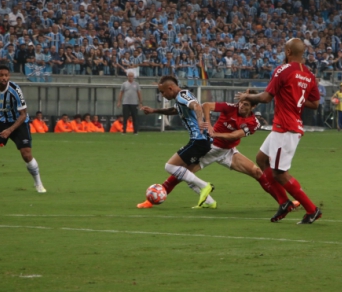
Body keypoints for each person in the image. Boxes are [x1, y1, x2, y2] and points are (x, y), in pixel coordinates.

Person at [137, 94, 301, 210]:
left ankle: (284, 202)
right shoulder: (231, 107)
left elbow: (236, 135)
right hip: (211, 148)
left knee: (257, 172)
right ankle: (151, 200)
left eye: (246, 105)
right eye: (242, 103)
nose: (241, 106)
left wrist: (217, 133)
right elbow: (207, 105)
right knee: (183, 172)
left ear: (253, 107)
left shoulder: (253, 122)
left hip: (228, 151)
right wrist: (208, 124)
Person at [236, 38, 322, 224]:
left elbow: (266, 97)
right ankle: (284, 202)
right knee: (261, 159)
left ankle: (312, 209)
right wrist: (293, 96)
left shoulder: (283, 70)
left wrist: (247, 96)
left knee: (280, 173)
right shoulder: (309, 75)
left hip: (286, 128)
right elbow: (315, 103)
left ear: (288, 52)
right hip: (283, 126)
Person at [141, 75, 214, 207]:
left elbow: (197, 106)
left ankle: (204, 185)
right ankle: (209, 202)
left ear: (170, 88)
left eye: (163, 92)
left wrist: (199, 121)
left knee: (170, 166)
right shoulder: (180, 99)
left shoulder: (182, 95)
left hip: (199, 140)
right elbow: (175, 110)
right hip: (202, 141)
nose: (162, 95)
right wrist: (154, 110)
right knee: (185, 174)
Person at [0, 65, 46, 193]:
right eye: (1, 75)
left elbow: (23, 114)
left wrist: (10, 130)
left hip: (19, 122)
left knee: (26, 155)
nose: (4, 78)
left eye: (6, 75)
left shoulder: (15, 90)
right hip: (3, 120)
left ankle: (38, 183)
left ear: (9, 76)